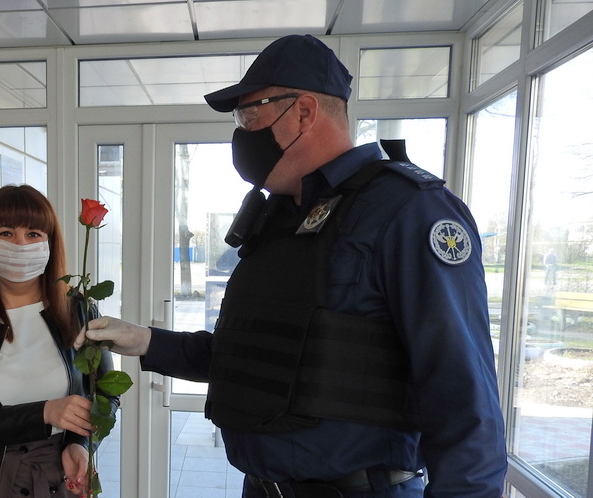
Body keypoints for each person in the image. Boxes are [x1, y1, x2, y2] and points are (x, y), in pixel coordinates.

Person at [77, 35, 507, 497]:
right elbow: (253, 356)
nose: (242, 134)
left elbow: (464, 397)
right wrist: (144, 340)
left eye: (250, 116)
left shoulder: (406, 211)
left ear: (303, 112)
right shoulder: (278, 218)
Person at [0, 184, 118, 497]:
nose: (20, 244)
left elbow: (106, 394)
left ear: (50, 244)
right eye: (6, 233)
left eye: (33, 233)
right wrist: (44, 413)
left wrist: (81, 443)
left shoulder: (79, 311)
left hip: (60, 477)